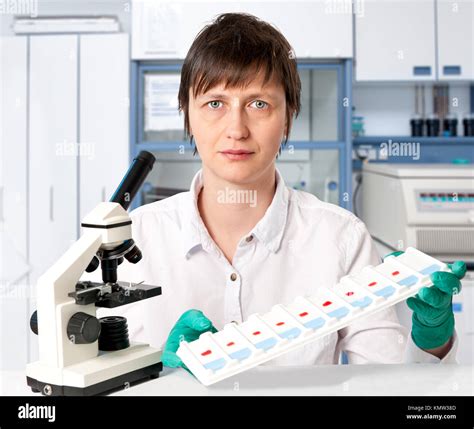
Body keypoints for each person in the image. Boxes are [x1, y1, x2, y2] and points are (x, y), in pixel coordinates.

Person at [97, 13, 466, 371]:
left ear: (288, 116)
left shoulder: (340, 238)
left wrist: (431, 342)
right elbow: (92, 377)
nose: (236, 129)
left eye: (259, 104)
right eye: (215, 103)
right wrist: (160, 378)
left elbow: (389, 385)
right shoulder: (135, 240)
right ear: (187, 115)